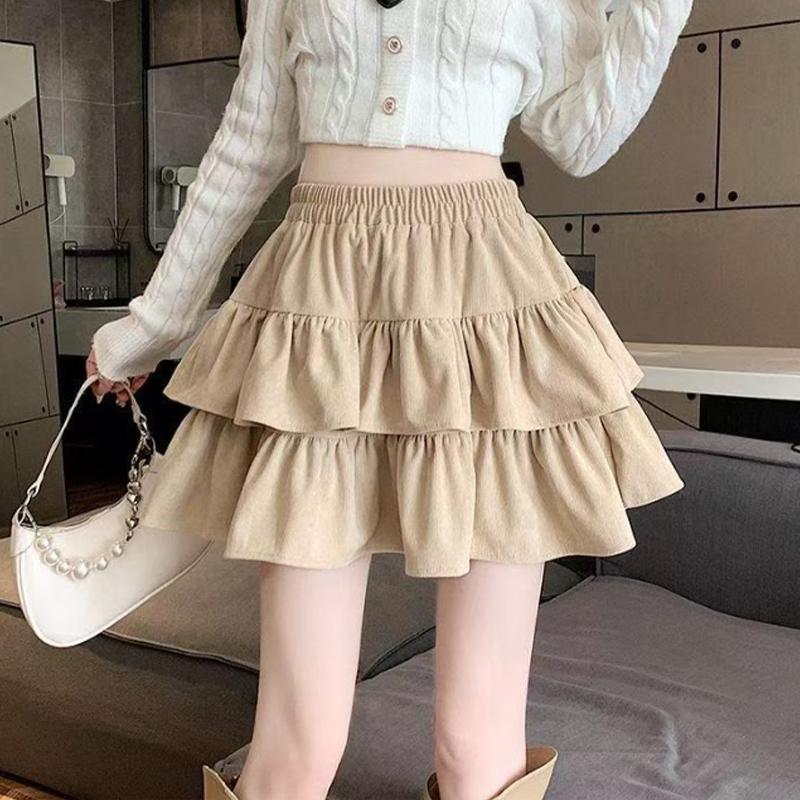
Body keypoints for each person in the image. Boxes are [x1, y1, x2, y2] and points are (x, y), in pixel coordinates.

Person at [87, 1, 694, 798]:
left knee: (478, 745)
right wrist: (153, 325)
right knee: (298, 741)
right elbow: (249, 142)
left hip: (485, 310)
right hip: (319, 307)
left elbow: (582, 136)